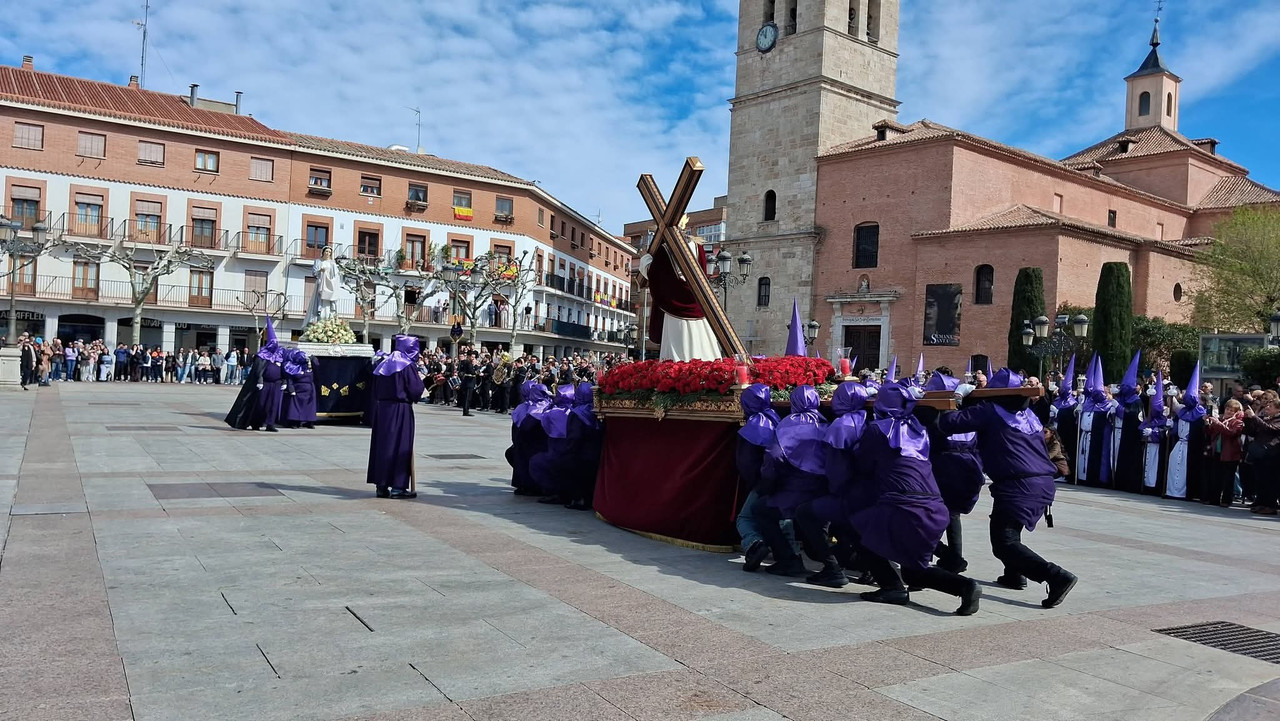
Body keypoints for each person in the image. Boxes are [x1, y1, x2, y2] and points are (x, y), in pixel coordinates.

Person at [938, 368, 1078, 608]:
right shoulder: (1030, 415)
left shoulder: (990, 411)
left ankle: (1056, 576)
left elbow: (949, 424)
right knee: (1008, 525)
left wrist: (958, 400)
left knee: (1004, 541)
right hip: (1040, 483)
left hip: (1020, 485)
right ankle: (1014, 575)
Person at [850, 382, 982, 615]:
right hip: (934, 506)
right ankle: (966, 586)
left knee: (860, 532)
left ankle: (892, 587)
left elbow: (863, 464)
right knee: (913, 570)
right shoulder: (918, 428)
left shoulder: (877, 429)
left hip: (903, 505)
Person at [792, 381, 872, 587]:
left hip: (849, 492)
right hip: (868, 489)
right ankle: (867, 566)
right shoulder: (867, 419)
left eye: (838, 396)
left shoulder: (841, 426)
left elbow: (836, 470)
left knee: (806, 513)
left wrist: (833, 492)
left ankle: (831, 568)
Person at [756, 385, 829, 577]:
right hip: (823, 489)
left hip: (796, 490)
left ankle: (787, 559)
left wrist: (767, 486)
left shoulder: (789, 423)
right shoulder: (825, 422)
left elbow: (774, 456)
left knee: (760, 509)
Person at [921, 371, 984, 574]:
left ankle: (937, 557)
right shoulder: (969, 417)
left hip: (943, 471)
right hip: (969, 471)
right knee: (953, 516)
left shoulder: (937, 419)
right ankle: (954, 558)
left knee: (930, 515)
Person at [638, 231, 720, 361]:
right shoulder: (698, 247)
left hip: (675, 310)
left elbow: (656, 275)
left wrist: (645, 260)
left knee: (677, 354)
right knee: (704, 348)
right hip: (698, 302)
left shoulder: (666, 248)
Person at [366, 334, 425, 499]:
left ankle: (381, 485)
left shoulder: (383, 363)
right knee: (400, 445)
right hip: (400, 410)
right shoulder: (406, 365)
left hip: (382, 410)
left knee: (382, 446)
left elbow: (374, 389)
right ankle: (398, 487)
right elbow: (415, 390)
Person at [735, 383, 785, 572]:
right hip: (784, 480)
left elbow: (746, 462)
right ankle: (790, 552)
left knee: (745, 518)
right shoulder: (776, 418)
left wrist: (755, 483)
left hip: (763, 482)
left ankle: (754, 544)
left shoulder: (751, 428)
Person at [224, 321, 286, 432]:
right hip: (264, 384)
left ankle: (270, 424)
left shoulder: (279, 356)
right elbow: (258, 370)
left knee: (273, 405)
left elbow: (283, 370)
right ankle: (255, 423)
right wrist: (260, 380)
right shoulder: (262, 355)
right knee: (260, 404)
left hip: (276, 384)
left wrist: (284, 381)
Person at [1167, 363, 1208, 501]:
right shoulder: (1183, 410)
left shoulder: (1200, 412)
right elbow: (1174, 408)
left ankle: (1187, 493)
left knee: (1187, 469)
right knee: (1174, 465)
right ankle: (1172, 491)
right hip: (1180, 444)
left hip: (1192, 447)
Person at [1076, 355, 1116, 487]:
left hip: (1096, 438)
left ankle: (1093, 478)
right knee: (1082, 458)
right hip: (1084, 435)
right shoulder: (1087, 403)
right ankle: (1081, 477)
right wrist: (1078, 410)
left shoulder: (1107, 405)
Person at [507, 381, 553, 496]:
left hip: (528, 444)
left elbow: (518, 429)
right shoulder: (548, 405)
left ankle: (524, 485)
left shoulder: (526, 408)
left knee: (519, 453)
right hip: (541, 444)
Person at [1112, 353, 1146, 493]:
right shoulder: (1123, 399)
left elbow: (1132, 416)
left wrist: (1118, 408)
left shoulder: (1136, 401)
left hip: (1132, 435)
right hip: (1122, 433)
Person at [1243, 397, 1280, 515]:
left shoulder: (1278, 420)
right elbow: (1252, 431)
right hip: (1260, 454)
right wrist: (1249, 420)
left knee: (1270, 481)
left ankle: (1270, 505)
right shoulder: (1266, 418)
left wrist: (1255, 417)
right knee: (1260, 480)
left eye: (1271, 407)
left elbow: (1270, 429)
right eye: (1267, 406)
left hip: (1272, 454)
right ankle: (1261, 503)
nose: (1267, 408)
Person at [1205, 399, 1244, 507]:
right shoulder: (1220, 419)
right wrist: (1207, 423)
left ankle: (1226, 500)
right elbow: (1210, 432)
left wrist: (1218, 423)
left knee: (1228, 479)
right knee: (1216, 477)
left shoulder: (1238, 422)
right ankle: (1214, 499)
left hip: (1230, 454)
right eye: (1228, 409)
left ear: (1236, 412)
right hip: (1217, 451)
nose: (1229, 412)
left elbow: (1231, 433)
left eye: (1232, 410)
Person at [1140, 372, 1170, 495]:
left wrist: (1153, 432)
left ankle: (1154, 488)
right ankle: (1144, 486)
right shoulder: (1149, 418)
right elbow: (1141, 428)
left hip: (1157, 448)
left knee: (1154, 467)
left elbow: (1165, 432)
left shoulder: (1164, 419)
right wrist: (1144, 432)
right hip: (1148, 446)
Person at [282, 349, 318, 429]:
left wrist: (313, 358)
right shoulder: (293, 368)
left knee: (309, 407)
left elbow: (316, 365)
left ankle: (309, 422)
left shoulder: (309, 368)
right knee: (295, 407)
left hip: (309, 390)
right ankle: (295, 422)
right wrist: (291, 389)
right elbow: (290, 380)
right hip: (298, 390)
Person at [458, 350, 478, 416]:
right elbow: (473, 372)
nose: (473, 358)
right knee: (467, 398)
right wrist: (475, 366)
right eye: (472, 357)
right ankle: (466, 411)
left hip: (466, 382)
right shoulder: (468, 363)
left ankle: (466, 410)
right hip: (469, 382)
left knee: (467, 397)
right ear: (469, 356)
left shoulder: (464, 362)